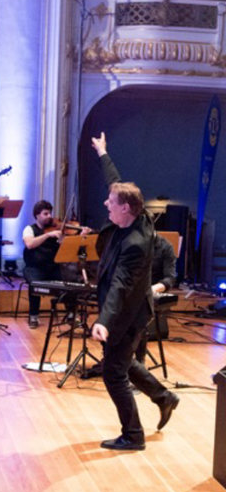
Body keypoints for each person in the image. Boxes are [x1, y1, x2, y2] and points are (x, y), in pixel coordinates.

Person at [90, 133, 179, 451]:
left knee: (113, 373)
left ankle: (134, 435)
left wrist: (104, 320)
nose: (105, 204)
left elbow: (120, 286)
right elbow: (115, 183)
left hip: (128, 313)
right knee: (123, 362)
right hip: (132, 308)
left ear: (126, 209)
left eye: (111, 204)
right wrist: (103, 152)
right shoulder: (136, 214)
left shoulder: (136, 245)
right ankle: (164, 397)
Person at [134, 231, 177, 363]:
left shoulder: (165, 247)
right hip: (129, 289)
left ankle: (138, 362)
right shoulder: (130, 242)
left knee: (138, 317)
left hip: (150, 292)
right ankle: (113, 359)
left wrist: (151, 289)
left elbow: (170, 278)